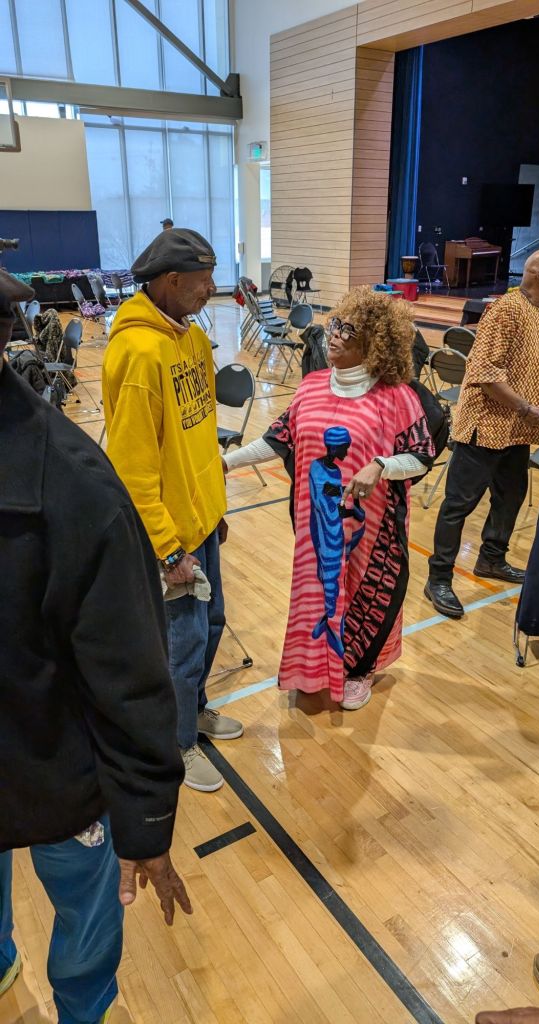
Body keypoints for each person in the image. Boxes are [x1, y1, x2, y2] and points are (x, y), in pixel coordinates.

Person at [0, 270, 190, 1023]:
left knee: (84, 918)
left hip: (59, 774)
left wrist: (144, 819)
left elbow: (131, 670)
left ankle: (84, 1012)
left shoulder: (75, 486)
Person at [224, 286, 435, 709]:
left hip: (373, 531)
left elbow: (421, 456)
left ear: (373, 344)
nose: (333, 334)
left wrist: (380, 465)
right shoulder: (311, 386)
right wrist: (227, 463)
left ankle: (360, 669)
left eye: (347, 330)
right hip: (316, 526)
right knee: (318, 595)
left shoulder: (397, 397)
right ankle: (316, 666)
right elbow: (277, 439)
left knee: (365, 598)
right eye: (335, 324)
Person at [102, 228, 243, 795]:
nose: (212, 289)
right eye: (203, 280)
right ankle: (178, 744)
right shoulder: (139, 352)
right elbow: (132, 470)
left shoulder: (190, 336)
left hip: (200, 519)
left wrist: (215, 508)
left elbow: (201, 433)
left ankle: (196, 710)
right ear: (171, 281)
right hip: (169, 536)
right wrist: (167, 548)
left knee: (212, 625)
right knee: (181, 645)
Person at [425, 248, 539, 619]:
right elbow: (486, 374)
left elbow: (528, 373)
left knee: (510, 497)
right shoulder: (507, 310)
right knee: (459, 505)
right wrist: (529, 409)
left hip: (516, 430)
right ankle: (438, 578)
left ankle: (491, 559)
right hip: (485, 427)